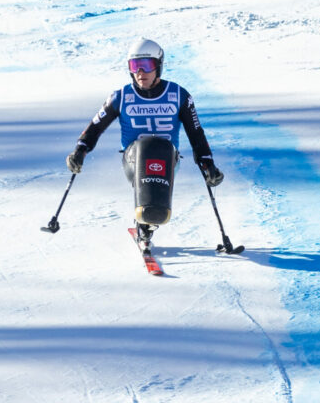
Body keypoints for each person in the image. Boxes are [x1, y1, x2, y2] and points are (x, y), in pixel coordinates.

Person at [66, 37, 224, 246]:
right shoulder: (121, 97)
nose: (140, 73)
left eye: (146, 66)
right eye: (134, 66)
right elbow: (95, 127)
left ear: (158, 66)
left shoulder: (179, 95)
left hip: (168, 160)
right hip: (134, 160)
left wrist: (208, 164)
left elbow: (195, 133)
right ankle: (145, 221)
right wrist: (80, 150)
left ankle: (147, 221)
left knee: (159, 147)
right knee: (146, 146)